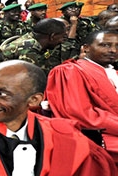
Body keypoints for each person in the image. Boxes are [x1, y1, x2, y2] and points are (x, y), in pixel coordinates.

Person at [45, 30, 118, 163]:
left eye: (117, 46)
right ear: (85, 48)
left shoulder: (113, 73)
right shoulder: (69, 71)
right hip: (96, 138)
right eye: (105, 45)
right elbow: (80, 114)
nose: (113, 50)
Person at [0, 18, 67, 83]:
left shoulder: (33, 40)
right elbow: (30, 79)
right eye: (62, 37)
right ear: (52, 36)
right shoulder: (28, 47)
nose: (62, 41)